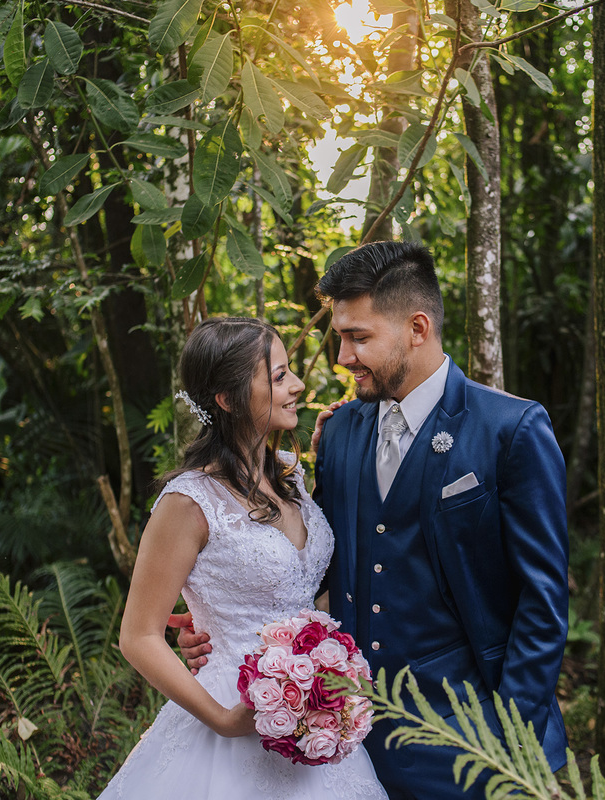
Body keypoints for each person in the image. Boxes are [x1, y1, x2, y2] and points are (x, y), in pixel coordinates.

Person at [178, 242, 570, 799]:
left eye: (358, 337)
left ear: (417, 328)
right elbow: (312, 569)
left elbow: (543, 598)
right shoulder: (339, 432)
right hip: (349, 740)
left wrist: (512, 735)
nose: (343, 356)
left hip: (476, 734)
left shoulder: (511, 429)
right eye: (340, 336)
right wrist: (219, 629)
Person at [98, 317, 387, 800]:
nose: (297, 385)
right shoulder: (189, 502)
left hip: (314, 719)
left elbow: (305, 588)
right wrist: (223, 720)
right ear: (228, 400)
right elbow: (138, 636)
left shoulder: (290, 478)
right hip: (231, 716)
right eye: (278, 376)